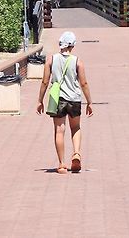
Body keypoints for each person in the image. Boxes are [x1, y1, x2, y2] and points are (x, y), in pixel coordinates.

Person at [37, 31, 93, 174]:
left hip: (58, 99)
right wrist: (89, 102)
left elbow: (45, 81)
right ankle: (76, 153)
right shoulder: (77, 61)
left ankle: (62, 164)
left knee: (59, 131)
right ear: (73, 45)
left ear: (60, 44)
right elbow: (84, 83)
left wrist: (40, 100)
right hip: (74, 98)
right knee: (76, 128)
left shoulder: (51, 60)